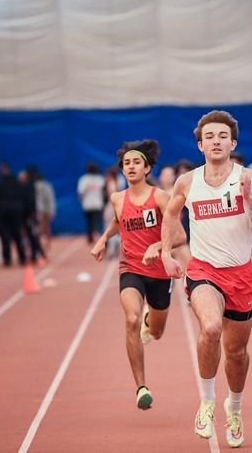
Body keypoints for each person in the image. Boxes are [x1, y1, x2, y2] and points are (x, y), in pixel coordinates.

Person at [161, 110, 252, 448]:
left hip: (240, 275)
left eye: (222, 136)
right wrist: (167, 253)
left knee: (237, 352)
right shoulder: (188, 181)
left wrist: (251, 200)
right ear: (200, 145)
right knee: (210, 328)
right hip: (204, 271)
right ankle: (208, 401)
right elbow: (170, 214)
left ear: (233, 143)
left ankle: (235, 408)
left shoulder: (249, 177)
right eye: (209, 136)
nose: (216, 141)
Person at [90, 140, 186, 411]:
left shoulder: (159, 197)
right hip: (130, 268)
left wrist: (158, 246)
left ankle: (150, 319)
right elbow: (116, 221)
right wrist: (103, 239)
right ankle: (141, 387)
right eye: (126, 164)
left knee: (156, 332)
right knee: (130, 319)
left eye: (136, 163)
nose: (131, 167)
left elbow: (179, 236)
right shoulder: (117, 199)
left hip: (159, 273)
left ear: (147, 168)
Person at [0, 162, 27, 267]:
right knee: (17, 235)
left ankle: (7, 259)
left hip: (3, 212)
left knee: (5, 236)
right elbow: (23, 196)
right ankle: (22, 257)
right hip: (16, 212)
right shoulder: (16, 182)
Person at [78, 162, 105, 243]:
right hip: (98, 204)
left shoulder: (84, 179)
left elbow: (80, 192)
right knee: (99, 222)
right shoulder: (100, 179)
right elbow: (104, 192)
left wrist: (82, 200)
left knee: (89, 222)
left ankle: (90, 238)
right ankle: (103, 239)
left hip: (87, 204)